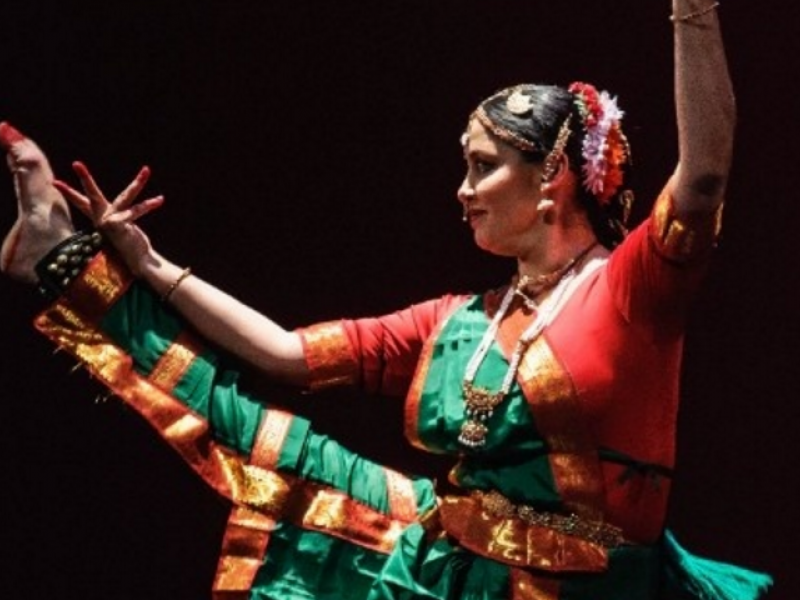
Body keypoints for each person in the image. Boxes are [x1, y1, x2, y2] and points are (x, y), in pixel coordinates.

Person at [0, 2, 774, 599]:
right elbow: (286, 354)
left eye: (482, 167)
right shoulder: (459, 322)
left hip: (582, 588)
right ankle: (61, 265)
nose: (462, 191)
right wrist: (148, 264)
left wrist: (691, 8)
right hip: (445, 566)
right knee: (269, 449)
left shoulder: (631, 291)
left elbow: (703, 177)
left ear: (552, 177)